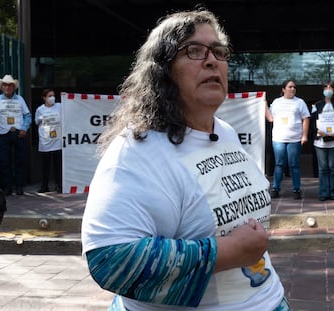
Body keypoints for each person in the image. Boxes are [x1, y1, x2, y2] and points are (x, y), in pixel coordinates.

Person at [81, 9, 288, 311]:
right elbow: (111, 260)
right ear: (163, 70)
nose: (211, 60)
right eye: (194, 50)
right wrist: (227, 252)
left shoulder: (226, 132)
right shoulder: (137, 150)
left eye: (219, 51)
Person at [266, 79, 310, 199]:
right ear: (283, 89)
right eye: (290, 87)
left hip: (294, 139)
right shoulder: (276, 102)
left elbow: (305, 119)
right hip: (279, 138)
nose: (293, 89)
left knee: (294, 164)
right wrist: (263, 103)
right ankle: (275, 188)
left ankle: (296, 189)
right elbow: (270, 118)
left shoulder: (299, 102)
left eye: (294, 87)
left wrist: (304, 136)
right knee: (279, 164)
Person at [0, 75, 31, 195]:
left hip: (18, 133)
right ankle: (7, 187)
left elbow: (27, 115)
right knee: (4, 161)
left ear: (14, 87)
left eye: (10, 85)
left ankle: (19, 186)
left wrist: (24, 129)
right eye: (5, 85)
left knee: (20, 160)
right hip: (3, 134)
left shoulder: (20, 99)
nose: (7, 87)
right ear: (2, 87)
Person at [310, 82, 334, 201]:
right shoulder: (317, 105)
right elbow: (311, 122)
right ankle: (323, 193)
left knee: (332, 167)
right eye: (326, 88)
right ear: (322, 90)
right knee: (322, 168)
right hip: (320, 141)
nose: (328, 90)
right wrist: (318, 131)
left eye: (330, 87)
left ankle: (331, 192)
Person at [35, 89, 62, 193]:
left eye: (53, 95)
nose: (52, 98)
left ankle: (59, 185)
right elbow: (37, 122)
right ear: (44, 98)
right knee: (45, 166)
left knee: (58, 165)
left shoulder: (59, 106)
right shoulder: (40, 109)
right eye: (50, 96)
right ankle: (44, 186)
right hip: (45, 141)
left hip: (57, 141)